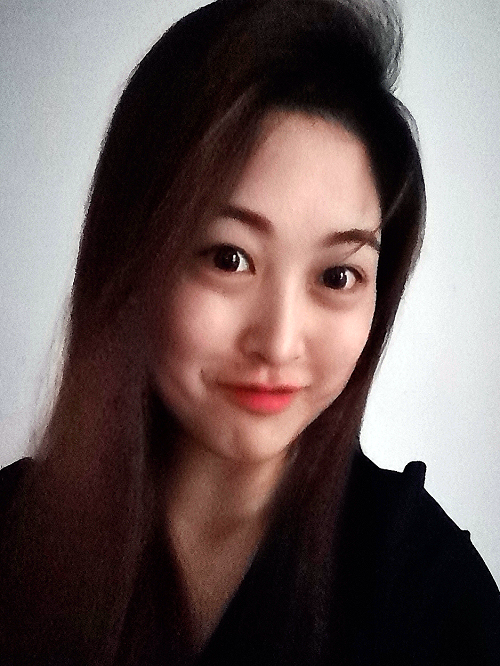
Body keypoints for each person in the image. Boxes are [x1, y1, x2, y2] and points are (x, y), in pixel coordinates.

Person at [0, 0, 499, 664]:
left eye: (338, 275)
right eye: (228, 258)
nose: (279, 342)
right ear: (133, 258)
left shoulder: (429, 593)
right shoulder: (10, 540)